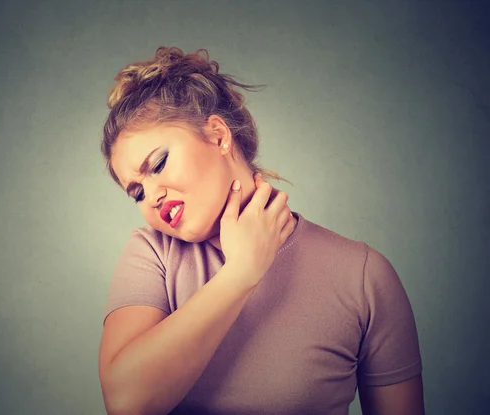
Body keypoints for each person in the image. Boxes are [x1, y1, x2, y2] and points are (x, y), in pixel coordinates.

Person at [98, 46, 424, 415]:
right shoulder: (152, 253)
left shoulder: (362, 275)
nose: (152, 197)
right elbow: (126, 403)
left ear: (219, 135)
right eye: (137, 192)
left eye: (158, 164)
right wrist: (241, 272)